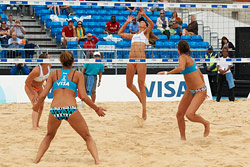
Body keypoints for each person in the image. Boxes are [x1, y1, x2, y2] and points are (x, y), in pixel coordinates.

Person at [32, 51, 106, 165]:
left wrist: (36, 106)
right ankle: (97, 161)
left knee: (49, 136)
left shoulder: (53, 74)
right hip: (70, 109)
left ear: (61, 62)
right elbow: (84, 97)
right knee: (87, 137)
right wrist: (96, 109)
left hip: (55, 110)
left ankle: (36, 160)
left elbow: (43, 94)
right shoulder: (77, 74)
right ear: (73, 61)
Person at [157, 40, 210, 140]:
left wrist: (167, 73)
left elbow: (181, 68)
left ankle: (206, 123)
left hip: (199, 91)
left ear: (179, 49)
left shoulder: (182, 57)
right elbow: (200, 74)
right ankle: (183, 138)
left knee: (189, 115)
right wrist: (205, 88)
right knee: (179, 114)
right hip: (191, 90)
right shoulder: (190, 59)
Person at [118, 7, 159, 120]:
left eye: (143, 22)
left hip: (141, 61)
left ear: (144, 26)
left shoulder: (145, 34)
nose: (141, 23)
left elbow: (151, 24)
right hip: (131, 60)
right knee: (129, 84)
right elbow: (119, 33)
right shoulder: (134, 36)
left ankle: (144, 111)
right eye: (140, 22)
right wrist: (126, 22)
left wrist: (145, 15)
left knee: (141, 84)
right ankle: (140, 98)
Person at [24, 53, 51, 130]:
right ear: (44, 60)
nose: (50, 59)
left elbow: (46, 78)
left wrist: (48, 86)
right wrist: (34, 93)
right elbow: (27, 82)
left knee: (41, 106)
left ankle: (37, 123)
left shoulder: (49, 66)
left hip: (39, 88)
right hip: (30, 88)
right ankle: (34, 127)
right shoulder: (36, 70)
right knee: (36, 105)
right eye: (49, 58)